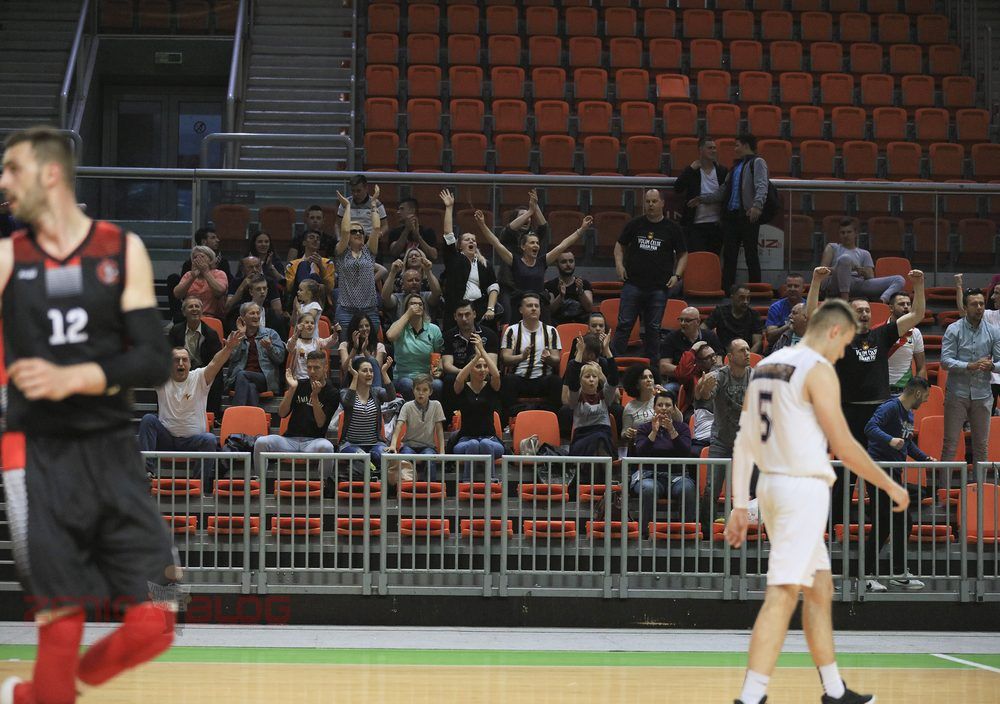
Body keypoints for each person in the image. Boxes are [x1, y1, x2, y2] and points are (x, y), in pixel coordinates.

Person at [0, 126, 177, 700]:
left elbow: (154, 359)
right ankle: (49, 688)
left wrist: (77, 376)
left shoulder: (121, 249)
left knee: (158, 619)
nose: (3, 182)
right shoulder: (8, 259)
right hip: (39, 460)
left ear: (50, 174)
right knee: (61, 622)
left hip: (112, 455)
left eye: (13, 169)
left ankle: (47, 690)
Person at [724, 297, 910, 704]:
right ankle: (751, 697)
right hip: (799, 490)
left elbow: (744, 439)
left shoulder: (766, 365)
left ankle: (834, 689)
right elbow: (844, 444)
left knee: (821, 588)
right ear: (834, 331)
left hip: (772, 486)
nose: (843, 353)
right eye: (843, 344)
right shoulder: (816, 368)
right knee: (783, 594)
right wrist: (889, 484)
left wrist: (740, 502)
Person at [806, 265, 925, 526]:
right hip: (849, 413)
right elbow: (812, 315)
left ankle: (881, 527)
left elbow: (917, 314)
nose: (863, 314)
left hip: (879, 414)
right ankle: (834, 528)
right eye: (858, 310)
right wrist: (815, 281)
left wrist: (918, 285)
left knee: (880, 472)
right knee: (846, 474)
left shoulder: (882, 334)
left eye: (867, 310)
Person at [863, 377, 934, 592]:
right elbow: (869, 427)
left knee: (886, 524)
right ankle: (892, 573)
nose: (926, 401)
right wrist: (889, 440)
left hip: (893, 472)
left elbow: (907, 443)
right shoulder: (891, 407)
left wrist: (924, 458)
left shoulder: (909, 414)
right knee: (900, 520)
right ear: (918, 393)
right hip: (879, 470)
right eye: (926, 397)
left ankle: (874, 574)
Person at [472, 208, 589, 322]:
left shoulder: (542, 261)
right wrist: (482, 225)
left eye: (537, 243)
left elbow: (563, 245)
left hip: (539, 305)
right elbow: (496, 243)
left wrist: (582, 229)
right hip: (519, 305)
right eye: (532, 243)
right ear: (523, 246)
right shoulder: (514, 261)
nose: (536, 245)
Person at [612, 188, 687, 363]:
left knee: (653, 328)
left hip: (659, 287)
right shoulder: (635, 224)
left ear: (662, 203)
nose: (650, 205)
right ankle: (612, 363)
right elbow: (619, 245)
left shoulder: (672, 228)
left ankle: (652, 367)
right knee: (624, 324)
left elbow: (683, 254)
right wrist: (619, 265)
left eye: (654, 201)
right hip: (633, 284)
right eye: (647, 201)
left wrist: (677, 275)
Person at [939, 286, 1000, 497]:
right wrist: (969, 366)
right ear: (965, 307)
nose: (979, 307)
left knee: (981, 446)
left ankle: (979, 494)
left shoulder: (994, 331)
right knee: (950, 444)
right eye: (974, 304)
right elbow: (945, 361)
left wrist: (992, 366)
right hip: (957, 393)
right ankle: (944, 492)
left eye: (982, 303)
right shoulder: (954, 329)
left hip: (983, 395)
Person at [689, 132, 768, 291]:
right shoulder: (736, 167)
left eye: (737, 145)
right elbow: (723, 190)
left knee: (751, 254)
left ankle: (755, 290)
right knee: (729, 255)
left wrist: (757, 206)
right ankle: (726, 289)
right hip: (732, 217)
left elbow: (762, 185)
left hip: (747, 215)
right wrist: (703, 199)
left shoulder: (758, 162)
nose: (735, 149)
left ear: (745, 145)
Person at [254, 352, 339, 479]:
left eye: (316, 367)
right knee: (261, 442)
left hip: (314, 441)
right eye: (309, 367)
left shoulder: (332, 392)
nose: (312, 371)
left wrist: (315, 397)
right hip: (290, 440)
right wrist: (292, 389)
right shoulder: (299, 385)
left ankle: (324, 483)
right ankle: (260, 481)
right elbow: (282, 413)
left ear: (325, 368)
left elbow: (321, 423)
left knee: (327, 447)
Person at [702, 338, 753, 519]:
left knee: (759, 486)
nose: (747, 353)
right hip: (721, 440)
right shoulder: (720, 376)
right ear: (730, 357)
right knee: (712, 487)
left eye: (748, 349)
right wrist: (705, 390)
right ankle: (706, 531)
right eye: (742, 350)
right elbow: (706, 397)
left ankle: (757, 527)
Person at [631, 391, 695, 530]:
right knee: (649, 488)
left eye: (668, 405)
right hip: (649, 475)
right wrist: (653, 432)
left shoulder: (682, 428)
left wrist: (672, 431)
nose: (664, 408)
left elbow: (685, 452)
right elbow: (640, 452)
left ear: (674, 408)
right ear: (654, 407)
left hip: (677, 476)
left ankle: (686, 532)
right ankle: (645, 532)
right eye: (660, 405)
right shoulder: (644, 428)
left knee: (687, 488)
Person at [439, 189, 500, 325]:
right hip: (456, 310)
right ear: (459, 245)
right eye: (467, 239)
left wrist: (490, 309)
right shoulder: (454, 258)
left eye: (473, 240)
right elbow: (448, 234)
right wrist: (449, 207)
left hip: (480, 311)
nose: (471, 241)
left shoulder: (484, 263)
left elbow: (493, 286)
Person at [500, 292, 563, 417]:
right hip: (519, 378)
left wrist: (549, 359)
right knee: (508, 380)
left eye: (536, 306)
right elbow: (505, 358)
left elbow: (557, 360)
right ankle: (510, 419)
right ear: (521, 310)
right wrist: (521, 357)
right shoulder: (512, 330)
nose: (534, 308)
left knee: (556, 381)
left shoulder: (551, 331)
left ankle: (551, 417)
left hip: (543, 379)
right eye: (529, 306)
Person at [451, 341, 505, 480]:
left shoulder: (492, 386)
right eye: (478, 366)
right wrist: (476, 357)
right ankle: (467, 482)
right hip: (465, 441)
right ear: (471, 369)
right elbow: (458, 379)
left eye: (485, 366)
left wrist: (482, 351)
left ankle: (491, 481)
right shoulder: (462, 388)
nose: (483, 369)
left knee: (485, 443)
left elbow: (496, 375)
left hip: (491, 440)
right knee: (473, 444)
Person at [818, 218, 905, 304]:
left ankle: (882, 300)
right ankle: (845, 300)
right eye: (842, 233)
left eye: (849, 232)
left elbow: (870, 277)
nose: (845, 235)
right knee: (845, 259)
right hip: (835, 283)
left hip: (857, 283)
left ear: (855, 233)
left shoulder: (864, 253)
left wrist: (863, 272)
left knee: (899, 279)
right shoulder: (832, 247)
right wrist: (843, 267)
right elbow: (822, 271)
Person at [339, 355, 396, 479]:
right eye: (364, 371)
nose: (369, 374)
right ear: (355, 373)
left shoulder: (377, 392)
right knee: (361, 456)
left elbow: (391, 396)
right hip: (350, 444)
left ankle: (373, 476)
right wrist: (354, 378)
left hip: (374, 443)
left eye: (371, 371)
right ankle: (373, 474)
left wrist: (384, 372)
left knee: (383, 456)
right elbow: (348, 403)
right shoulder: (345, 392)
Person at [334, 188, 383, 332]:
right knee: (345, 343)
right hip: (346, 310)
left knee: (372, 343)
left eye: (360, 231)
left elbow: (376, 228)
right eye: (353, 231)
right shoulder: (342, 252)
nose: (358, 233)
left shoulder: (369, 251)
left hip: (370, 310)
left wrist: (373, 204)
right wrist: (347, 207)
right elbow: (344, 230)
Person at [440, 300, 500, 416]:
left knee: (495, 379)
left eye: (467, 314)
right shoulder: (449, 336)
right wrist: (466, 373)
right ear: (455, 317)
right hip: (458, 373)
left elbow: (493, 365)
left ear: (474, 314)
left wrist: (481, 350)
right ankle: (451, 419)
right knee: (449, 379)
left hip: (483, 372)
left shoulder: (489, 334)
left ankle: (494, 418)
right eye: (460, 315)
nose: (464, 319)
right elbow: (447, 365)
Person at [167, 296, 223, 415]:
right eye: (190, 306)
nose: (194, 309)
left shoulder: (211, 333)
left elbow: (216, 360)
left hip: (202, 371)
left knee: (217, 377)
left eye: (197, 306)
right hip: (181, 369)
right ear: (184, 312)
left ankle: (212, 415)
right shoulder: (176, 331)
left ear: (202, 311)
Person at [673, 135, 728, 256]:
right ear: (700, 150)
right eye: (710, 148)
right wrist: (690, 169)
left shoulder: (722, 171)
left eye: (714, 148)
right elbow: (678, 188)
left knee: (713, 259)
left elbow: (726, 195)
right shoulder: (693, 171)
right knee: (698, 259)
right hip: (695, 225)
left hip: (716, 225)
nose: (713, 151)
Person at [225, 301, 287, 407]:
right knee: (251, 387)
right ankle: (252, 416)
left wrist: (270, 348)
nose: (256, 316)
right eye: (252, 313)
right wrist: (241, 336)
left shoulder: (271, 334)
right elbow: (232, 358)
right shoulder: (235, 336)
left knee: (242, 375)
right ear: (243, 317)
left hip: (264, 378)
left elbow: (280, 359)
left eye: (258, 313)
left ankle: (236, 413)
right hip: (239, 379)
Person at [387, 373, 446, 480]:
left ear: (430, 392)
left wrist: (442, 452)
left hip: (428, 447)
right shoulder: (407, 406)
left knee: (430, 459)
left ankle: (430, 487)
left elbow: (439, 430)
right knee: (405, 457)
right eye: (418, 389)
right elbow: (399, 426)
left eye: (425, 390)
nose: (421, 393)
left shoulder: (436, 405)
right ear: (413, 390)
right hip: (409, 446)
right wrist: (393, 445)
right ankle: (407, 487)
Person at [386, 293, 444, 399]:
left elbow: (438, 355)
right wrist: (408, 314)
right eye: (412, 304)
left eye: (420, 304)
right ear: (406, 308)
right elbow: (390, 336)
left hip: (426, 377)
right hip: (404, 376)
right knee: (407, 384)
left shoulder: (433, 329)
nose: (417, 306)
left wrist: (438, 371)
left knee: (438, 385)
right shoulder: (399, 326)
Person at [955, 273, 1000, 412]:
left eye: (997, 293)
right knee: (986, 417)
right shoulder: (991, 315)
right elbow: (963, 311)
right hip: (993, 378)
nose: (992, 297)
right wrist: (958, 286)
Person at [565, 356, 620, 464]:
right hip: (582, 438)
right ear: (580, 380)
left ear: (598, 380)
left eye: (594, 376)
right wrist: (580, 353)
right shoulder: (576, 397)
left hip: (604, 437)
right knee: (598, 439)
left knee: (600, 438)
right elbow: (573, 383)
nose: (591, 379)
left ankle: (601, 474)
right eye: (587, 376)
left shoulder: (605, 396)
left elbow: (613, 379)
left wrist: (608, 353)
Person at [659, 306, 723, 393]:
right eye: (681, 320)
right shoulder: (671, 338)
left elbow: (719, 360)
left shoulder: (710, 336)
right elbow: (664, 367)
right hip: (679, 382)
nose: (682, 323)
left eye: (687, 320)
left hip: (706, 379)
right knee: (667, 390)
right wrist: (690, 371)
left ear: (698, 322)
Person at [620, 363, 682, 448]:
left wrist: (668, 397)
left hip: (664, 443)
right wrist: (627, 433)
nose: (649, 380)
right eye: (644, 377)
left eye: (651, 377)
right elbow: (624, 433)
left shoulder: (662, 400)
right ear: (636, 384)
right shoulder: (630, 407)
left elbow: (679, 420)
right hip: (642, 446)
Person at [381, 252, 441, 324]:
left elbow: (437, 293)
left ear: (421, 283)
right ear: (402, 284)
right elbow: (385, 297)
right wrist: (392, 272)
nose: (414, 282)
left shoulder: (426, 296)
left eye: (417, 280)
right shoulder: (397, 298)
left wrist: (428, 271)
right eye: (410, 280)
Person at [886, 291, 927, 395]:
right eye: (901, 304)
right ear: (891, 308)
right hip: (882, 391)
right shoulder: (879, 330)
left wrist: (917, 392)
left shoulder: (915, 333)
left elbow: (921, 367)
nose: (906, 307)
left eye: (908, 304)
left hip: (904, 392)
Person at [703, 283, 764, 353]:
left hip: (746, 353)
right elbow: (703, 330)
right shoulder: (720, 312)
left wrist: (748, 356)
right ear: (732, 298)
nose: (745, 302)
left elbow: (757, 342)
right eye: (742, 298)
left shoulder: (754, 315)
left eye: (748, 298)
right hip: (722, 354)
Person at [172, 244, 228, 318]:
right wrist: (192, 277)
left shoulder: (219, 274)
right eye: (195, 257)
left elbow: (219, 292)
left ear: (210, 260)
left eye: (202, 257)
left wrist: (205, 272)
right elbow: (177, 294)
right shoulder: (188, 275)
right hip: (190, 316)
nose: (198, 260)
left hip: (212, 316)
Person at [285, 230, 336, 308]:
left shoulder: (328, 263)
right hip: (299, 299)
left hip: (322, 302)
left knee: (314, 276)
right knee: (303, 265)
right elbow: (290, 288)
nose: (315, 240)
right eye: (311, 237)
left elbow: (330, 288)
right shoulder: (292, 264)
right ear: (304, 242)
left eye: (318, 239)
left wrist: (321, 267)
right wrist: (305, 265)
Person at [338, 312, 387, 389]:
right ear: (355, 329)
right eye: (360, 326)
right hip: (352, 385)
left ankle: (376, 392)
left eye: (367, 326)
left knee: (372, 361)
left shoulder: (379, 346)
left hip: (372, 384)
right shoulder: (344, 345)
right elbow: (345, 369)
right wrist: (354, 348)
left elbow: (377, 369)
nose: (364, 329)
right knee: (357, 359)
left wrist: (365, 351)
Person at [544, 250, 594, 326]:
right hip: (557, 325)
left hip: (581, 324)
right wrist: (561, 296)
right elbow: (550, 311)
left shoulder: (584, 283)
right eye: (564, 262)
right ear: (557, 264)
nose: (568, 264)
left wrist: (581, 292)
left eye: (571, 261)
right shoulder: (550, 285)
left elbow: (589, 308)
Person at [335, 175, 388, 240]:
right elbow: (337, 224)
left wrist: (377, 236)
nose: (355, 194)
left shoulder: (376, 203)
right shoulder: (345, 203)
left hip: (369, 238)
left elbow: (385, 225)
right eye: (353, 191)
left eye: (358, 191)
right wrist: (339, 239)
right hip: (349, 239)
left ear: (366, 188)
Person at [285, 314, 338, 379]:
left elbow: (328, 342)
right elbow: (289, 347)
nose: (310, 324)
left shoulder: (317, 342)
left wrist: (335, 334)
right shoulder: (296, 342)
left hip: (315, 378)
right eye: (307, 322)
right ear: (300, 325)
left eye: (312, 323)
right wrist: (297, 333)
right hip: (299, 378)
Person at [765, 272, 806, 348]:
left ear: (803, 288)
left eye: (796, 286)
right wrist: (789, 325)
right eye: (789, 286)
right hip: (780, 349)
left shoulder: (809, 307)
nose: (792, 289)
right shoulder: (776, 307)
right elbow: (770, 337)